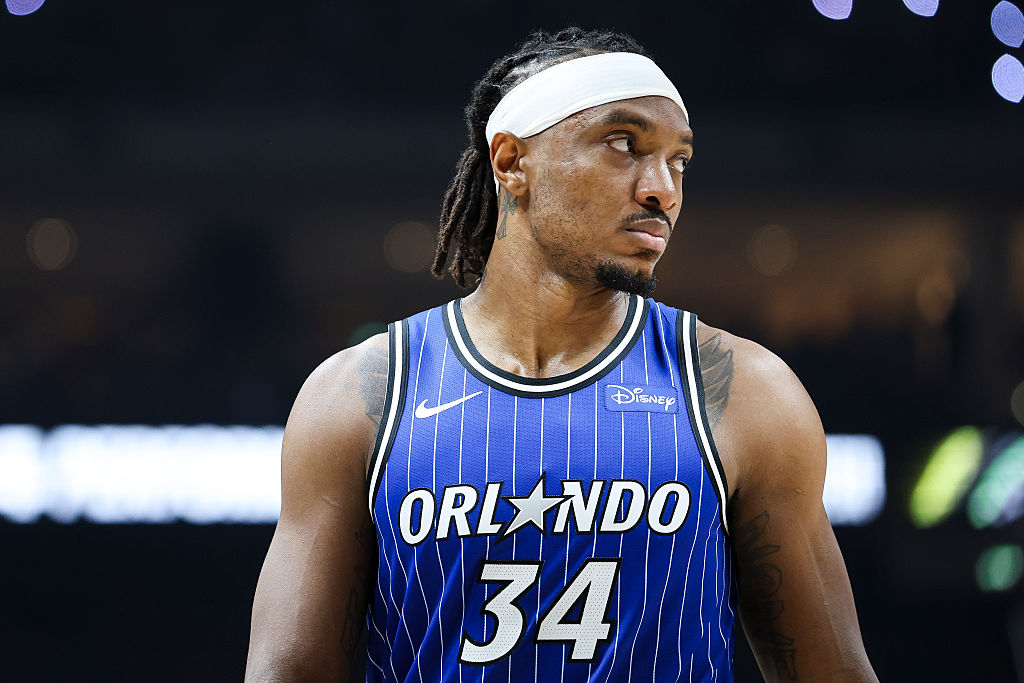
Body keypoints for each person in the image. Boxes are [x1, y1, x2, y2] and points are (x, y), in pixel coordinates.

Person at [245, 27, 878, 683]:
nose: (662, 189)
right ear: (512, 161)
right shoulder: (362, 394)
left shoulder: (745, 390)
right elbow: (287, 671)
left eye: (679, 160)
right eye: (624, 144)